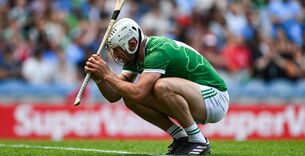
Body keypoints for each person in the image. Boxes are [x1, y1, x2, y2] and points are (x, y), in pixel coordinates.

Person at [85, 18, 229, 155]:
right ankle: (181, 138)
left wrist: (108, 75)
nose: (115, 54)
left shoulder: (158, 51)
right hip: (197, 97)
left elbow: (139, 92)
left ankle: (198, 141)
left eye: (117, 49)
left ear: (132, 43)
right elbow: (114, 95)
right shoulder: (134, 57)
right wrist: (100, 79)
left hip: (215, 97)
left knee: (161, 86)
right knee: (129, 96)